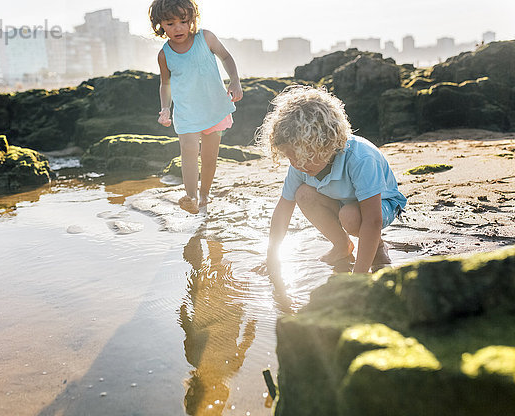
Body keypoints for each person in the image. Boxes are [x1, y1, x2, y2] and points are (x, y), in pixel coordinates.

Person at [256, 85, 407, 274]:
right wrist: (271, 259)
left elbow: (373, 220)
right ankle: (342, 245)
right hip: (345, 200)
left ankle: (378, 247)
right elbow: (282, 211)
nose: (295, 164)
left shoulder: (361, 159)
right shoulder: (300, 165)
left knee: (351, 217)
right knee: (303, 194)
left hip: (382, 204)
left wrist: (358, 277)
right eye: (289, 157)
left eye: (301, 156)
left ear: (325, 144)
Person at [149, 0, 243, 214]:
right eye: (170, 23)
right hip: (186, 112)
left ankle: (205, 193)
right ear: (160, 24)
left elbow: (226, 57)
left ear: (192, 18)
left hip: (214, 107)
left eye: (183, 21)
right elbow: (165, 83)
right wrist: (165, 108)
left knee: (209, 158)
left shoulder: (206, 38)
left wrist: (235, 81)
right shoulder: (164, 54)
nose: (178, 28)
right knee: (188, 151)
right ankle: (191, 197)